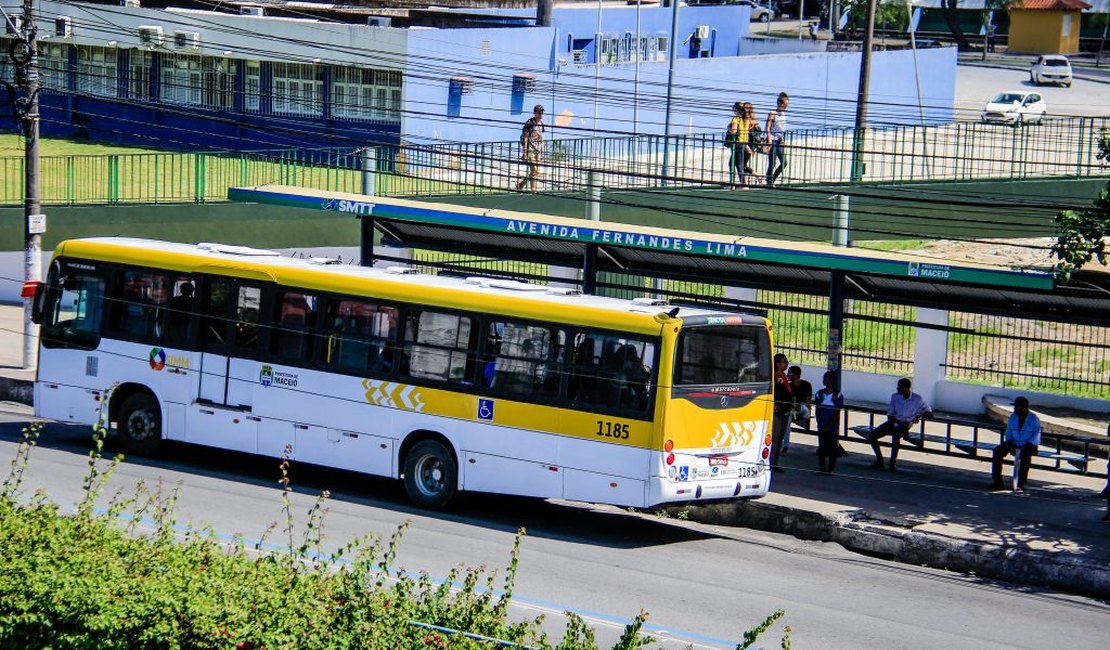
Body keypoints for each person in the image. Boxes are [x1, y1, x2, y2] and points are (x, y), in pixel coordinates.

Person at [868, 378, 931, 472]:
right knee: (872, 436)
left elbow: (927, 410)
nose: (897, 388)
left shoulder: (917, 399)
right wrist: (897, 422)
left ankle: (892, 463)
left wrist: (922, 416)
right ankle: (879, 460)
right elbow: (890, 414)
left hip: (906, 424)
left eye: (899, 386)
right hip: (895, 422)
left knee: (896, 437)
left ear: (906, 388)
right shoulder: (895, 397)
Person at [990, 396, 1041, 491]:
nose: (1014, 409)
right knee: (997, 451)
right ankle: (997, 479)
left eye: (1016, 407)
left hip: (1028, 444)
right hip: (1013, 442)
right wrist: (1011, 444)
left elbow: (1036, 436)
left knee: (1025, 457)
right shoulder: (1013, 417)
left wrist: (1026, 445)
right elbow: (1009, 433)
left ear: (1023, 408)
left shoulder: (1034, 419)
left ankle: (1021, 483)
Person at [813, 370, 844, 475]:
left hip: (832, 427)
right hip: (822, 426)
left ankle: (830, 469)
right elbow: (817, 411)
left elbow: (836, 413)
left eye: (829, 379)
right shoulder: (819, 394)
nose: (826, 381)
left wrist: (829, 426)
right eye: (825, 378)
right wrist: (820, 424)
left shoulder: (838, 395)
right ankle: (821, 467)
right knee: (821, 447)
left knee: (832, 449)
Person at [770, 353, 794, 472]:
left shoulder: (784, 376)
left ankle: (775, 461)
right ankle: (772, 462)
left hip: (785, 409)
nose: (786, 364)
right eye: (784, 362)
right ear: (777, 363)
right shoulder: (776, 377)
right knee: (775, 437)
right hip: (778, 410)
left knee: (780, 438)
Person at [515, 104, 545, 192]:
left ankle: (521, 184)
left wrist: (543, 151)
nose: (540, 115)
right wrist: (524, 153)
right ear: (535, 113)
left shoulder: (541, 124)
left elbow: (541, 138)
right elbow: (525, 138)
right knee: (534, 170)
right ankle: (533, 189)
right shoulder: (529, 123)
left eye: (541, 113)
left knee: (536, 172)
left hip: (538, 151)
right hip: (530, 150)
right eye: (539, 113)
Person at [726, 101, 752, 189]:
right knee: (734, 163)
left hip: (737, 143)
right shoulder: (746, 119)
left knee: (737, 164)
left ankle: (740, 184)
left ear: (736, 109)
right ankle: (736, 183)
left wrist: (729, 129)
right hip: (744, 143)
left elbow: (733, 130)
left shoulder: (736, 119)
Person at [765, 92, 789, 186]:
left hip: (779, 140)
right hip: (773, 139)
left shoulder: (783, 114)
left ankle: (772, 179)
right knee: (772, 162)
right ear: (780, 103)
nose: (786, 107)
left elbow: (782, 128)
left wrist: (783, 138)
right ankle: (769, 181)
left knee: (784, 162)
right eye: (785, 105)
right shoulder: (773, 113)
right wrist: (769, 140)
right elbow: (767, 127)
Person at [788, 365, 813, 433]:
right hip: (792, 411)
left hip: (802, 411)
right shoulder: (789, 385)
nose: (787, 375)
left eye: (789, 373)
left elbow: (808, 400)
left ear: (795, 375)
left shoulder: (806, 385)